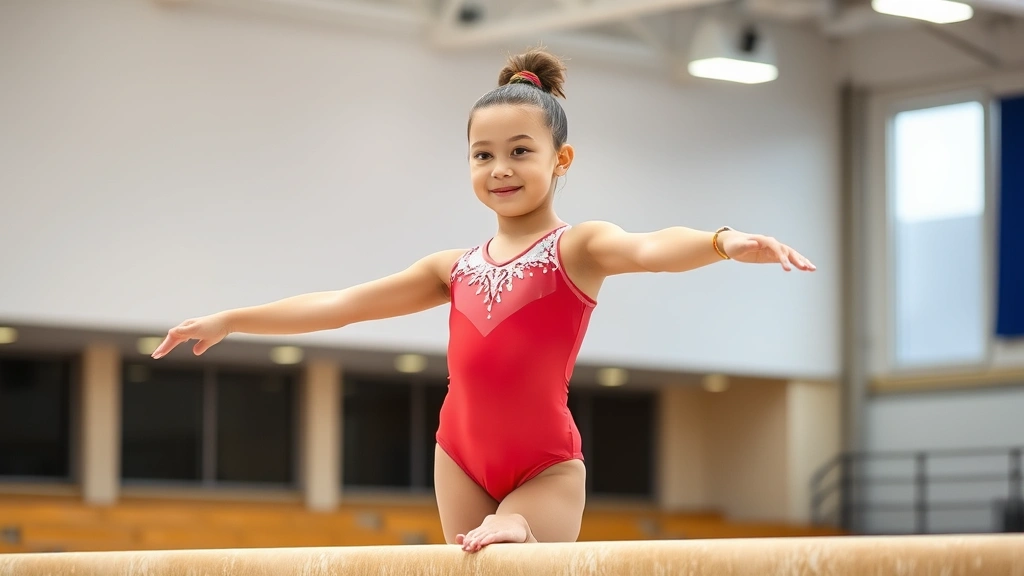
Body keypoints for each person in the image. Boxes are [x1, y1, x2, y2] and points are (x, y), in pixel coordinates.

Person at [151, 47, 815, 553]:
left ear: (561, 159)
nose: (500, 168)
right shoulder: (453, 268)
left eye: (520, 151)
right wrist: (233, 318)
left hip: (545, 468)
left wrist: (722, 241)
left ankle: (518, 523)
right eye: (482, 154)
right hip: (458, 458)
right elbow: (342, 304)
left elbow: (650, 248)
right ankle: (508, 526)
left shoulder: (577, 247)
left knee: (509, 543)